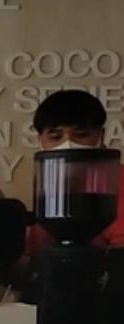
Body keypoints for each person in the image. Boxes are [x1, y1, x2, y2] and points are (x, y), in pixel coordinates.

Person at [27, 89, 122, 251]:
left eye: (81, 134)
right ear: (40, 141)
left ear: (101, 136)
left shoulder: (118, 182)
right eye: (56, 137)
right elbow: (32, 255)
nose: (68, 142)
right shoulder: (45, 188)